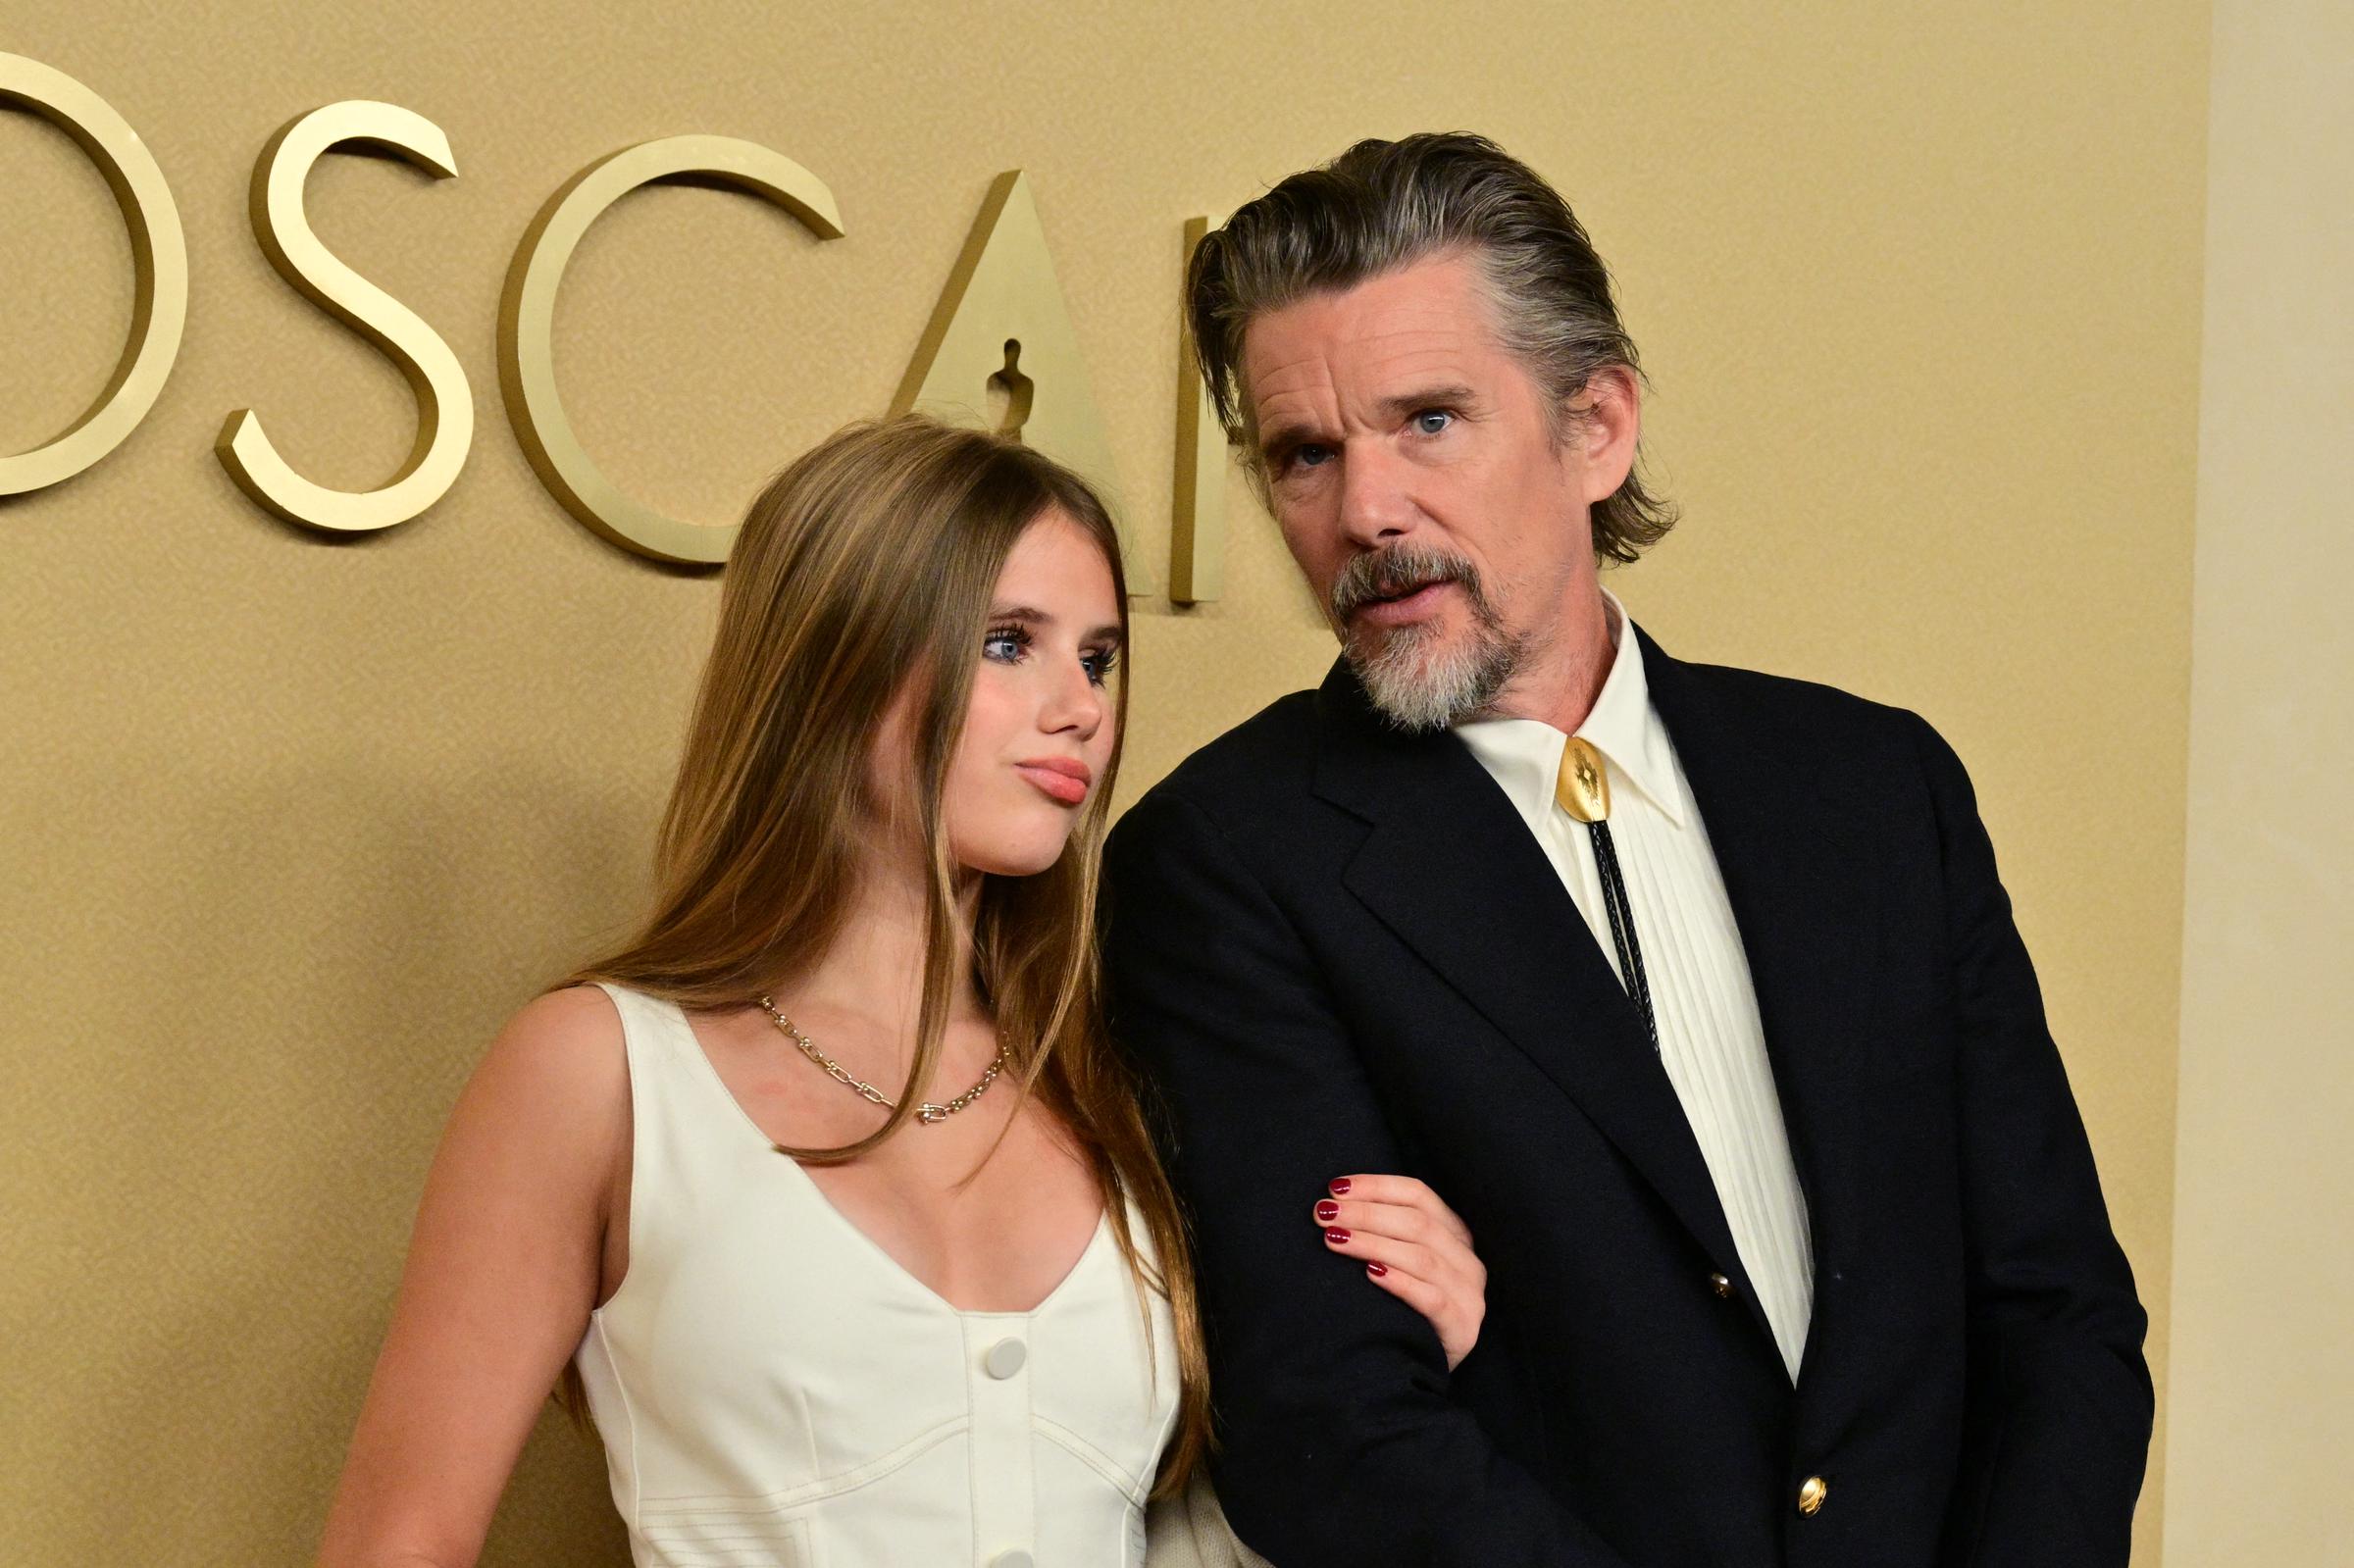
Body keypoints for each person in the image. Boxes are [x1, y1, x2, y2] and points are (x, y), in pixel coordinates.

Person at [1102, 132, 2154, 1567]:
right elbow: (1331, 1426)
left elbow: (2058, 1313)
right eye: (1305, 453)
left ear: (1596, 426)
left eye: (1428, 421)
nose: (1364, 512)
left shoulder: (1876, 787)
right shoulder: (1224, 859)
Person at [313, 415, 1489, 1568]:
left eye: (1097, 656)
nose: (1081, 706)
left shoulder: (1115, 1072)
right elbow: (400, 1539)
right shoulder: (602, 1068)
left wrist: (1396, 1334)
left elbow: (1220, 1507)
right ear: (839, 660)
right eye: (1007, 642)